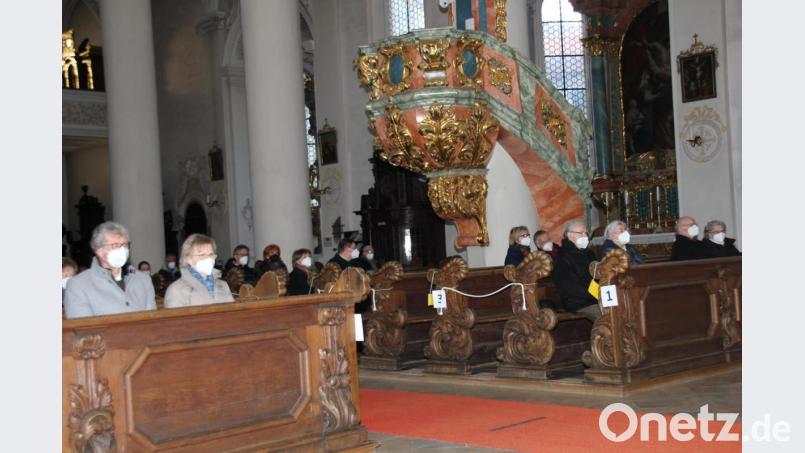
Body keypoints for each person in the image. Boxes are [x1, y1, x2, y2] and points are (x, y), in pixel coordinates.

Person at [64, 221, 156, 318]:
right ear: (99, 250)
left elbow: (152, 321)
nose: (122, 250)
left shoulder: (143, 279)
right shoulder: (78, 285)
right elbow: (83, 329)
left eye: (125, 245)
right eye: (115, 245)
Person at [165, 234, 234, 308]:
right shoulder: (176, 289)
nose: (208, 259)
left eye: (210, 255)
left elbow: (233, 314)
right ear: (188, 259)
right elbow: (177, 319)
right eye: (201, 255)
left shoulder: (223, 285)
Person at [552, 220, 600, 321]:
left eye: (586, 233)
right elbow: (571, 286)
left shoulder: (589, 253)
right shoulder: (562, 256)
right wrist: (598, 295)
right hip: (580, 303)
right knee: (607, 318)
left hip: (597, 298)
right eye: (581, 233)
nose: (585, 236)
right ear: (569, 235)